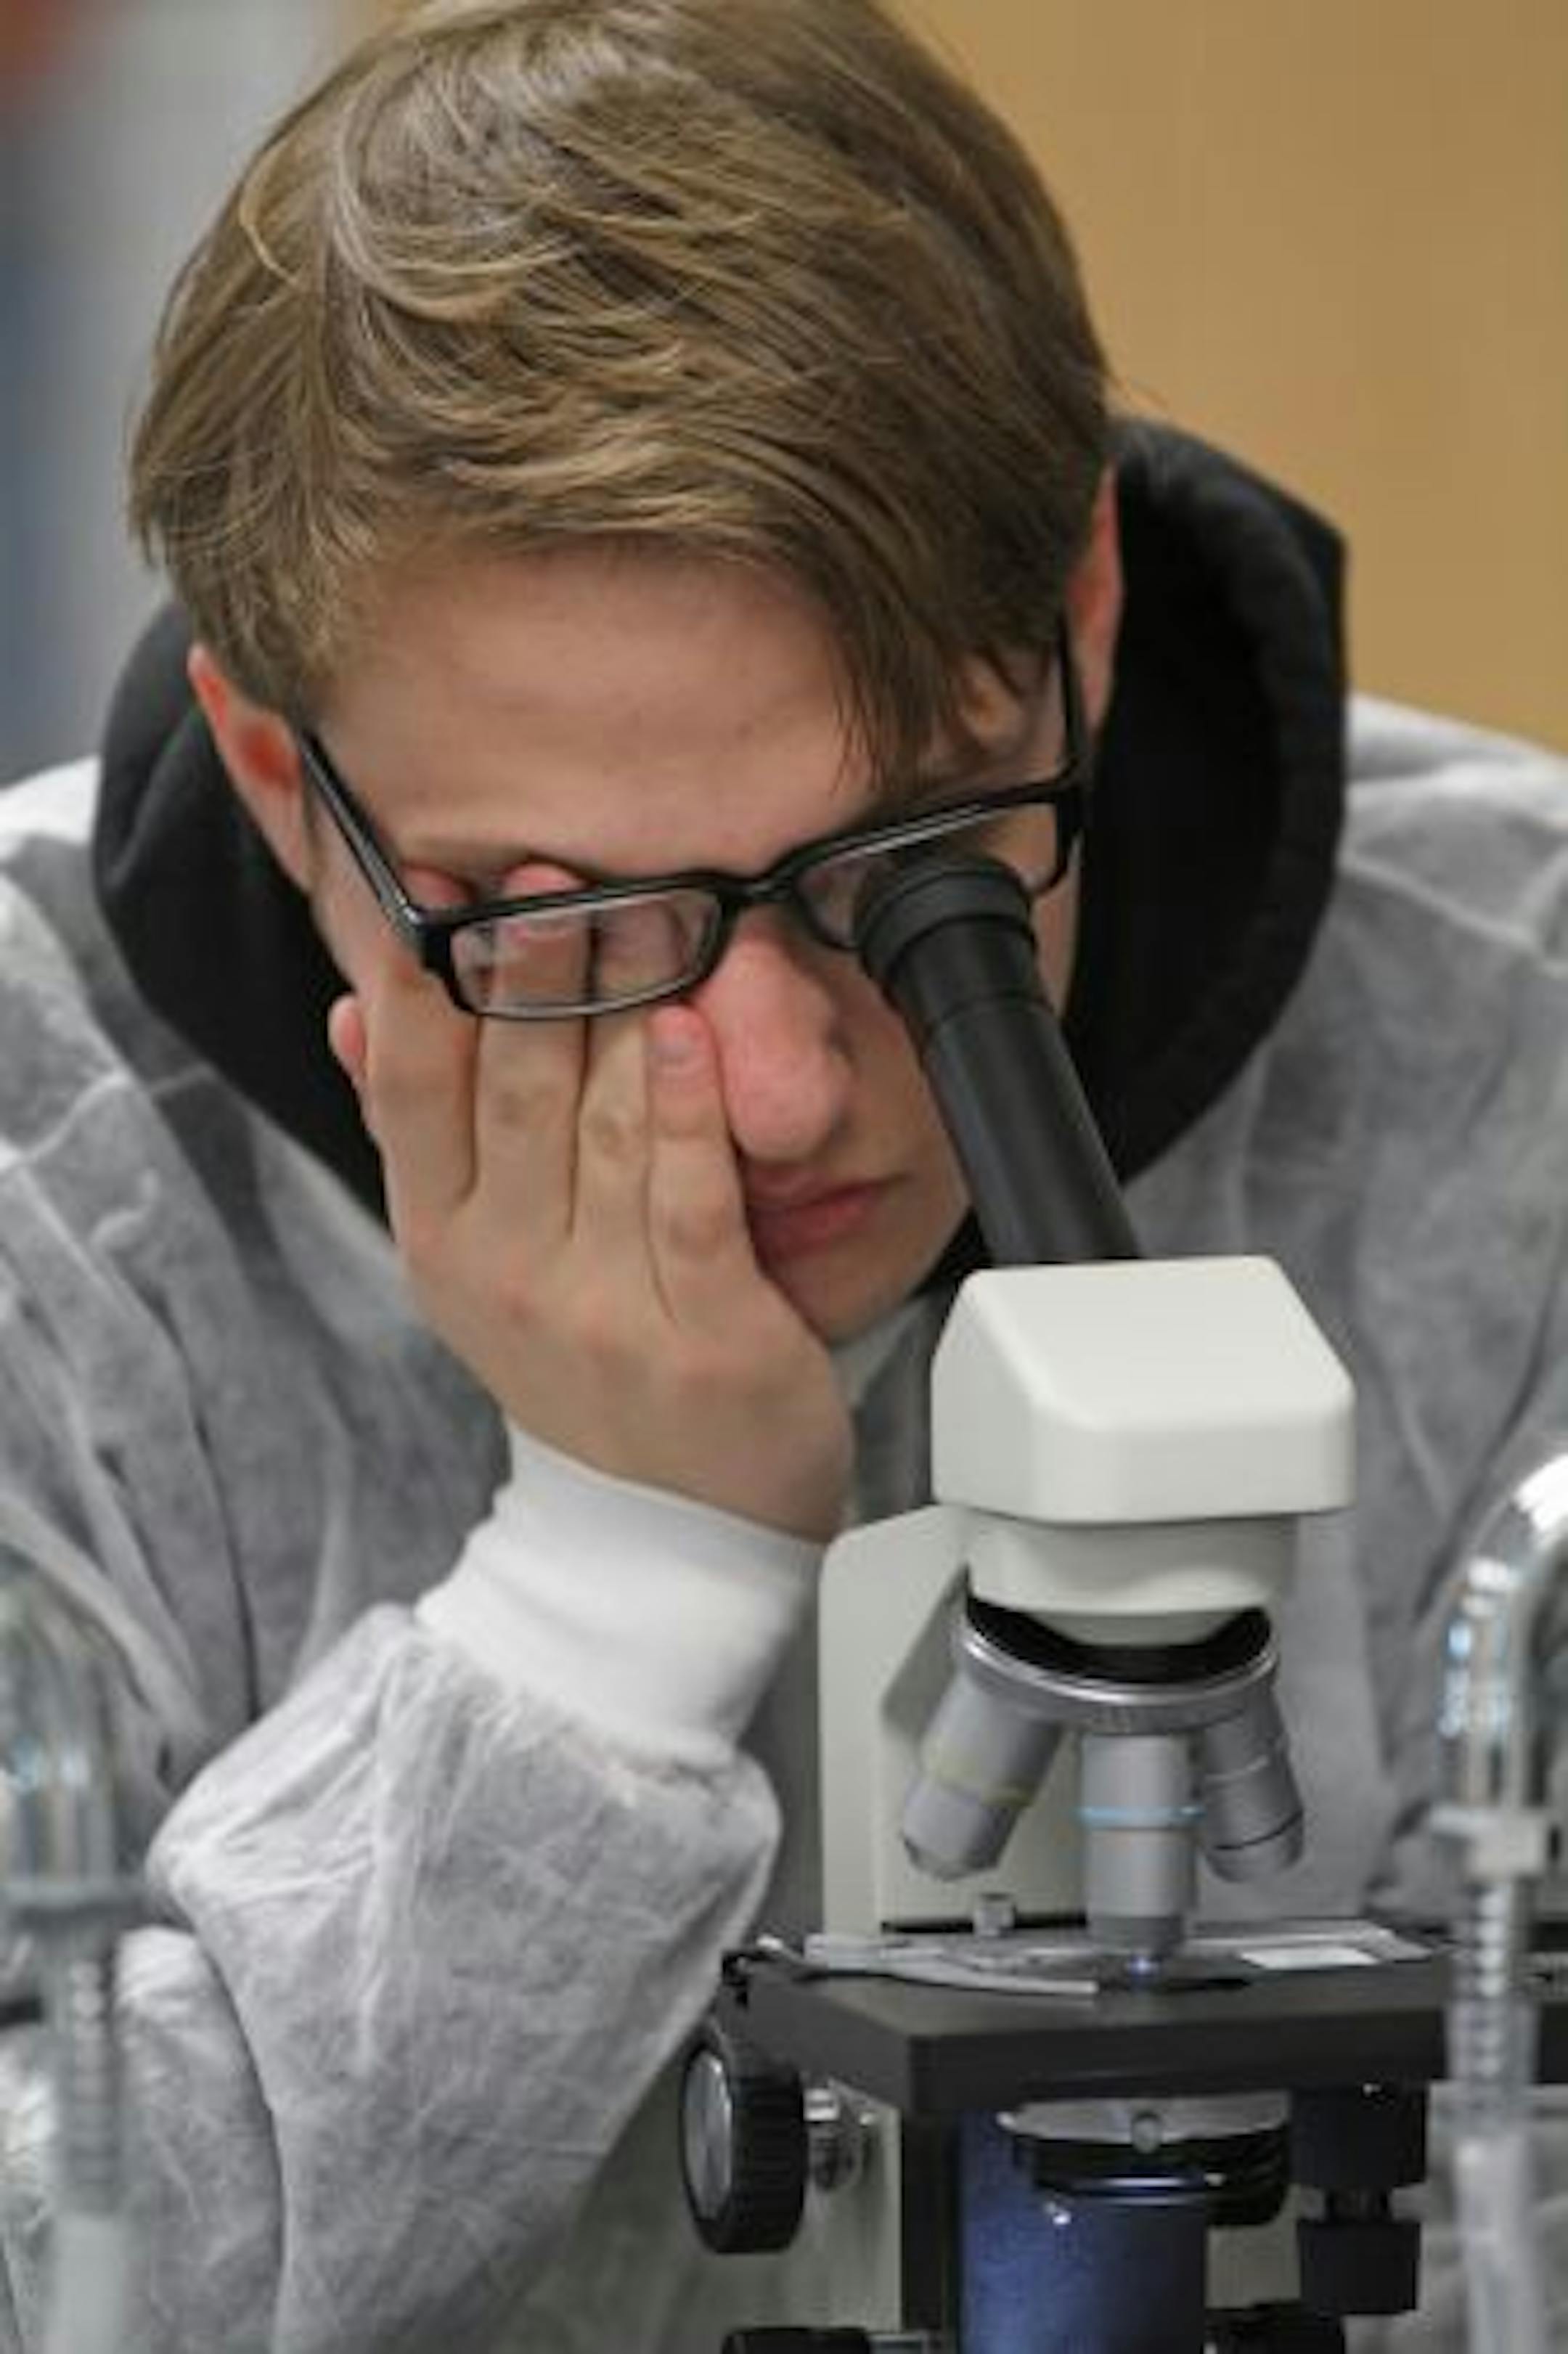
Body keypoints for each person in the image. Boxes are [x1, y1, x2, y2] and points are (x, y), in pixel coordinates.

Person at [2, 0, 1567, 2346]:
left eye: (910, 869)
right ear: (266, 760)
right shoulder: (45, 1194)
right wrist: (602, 1602)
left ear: (1086, 624)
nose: (776, 1092)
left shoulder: (1514, 1045)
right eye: (560, 921)